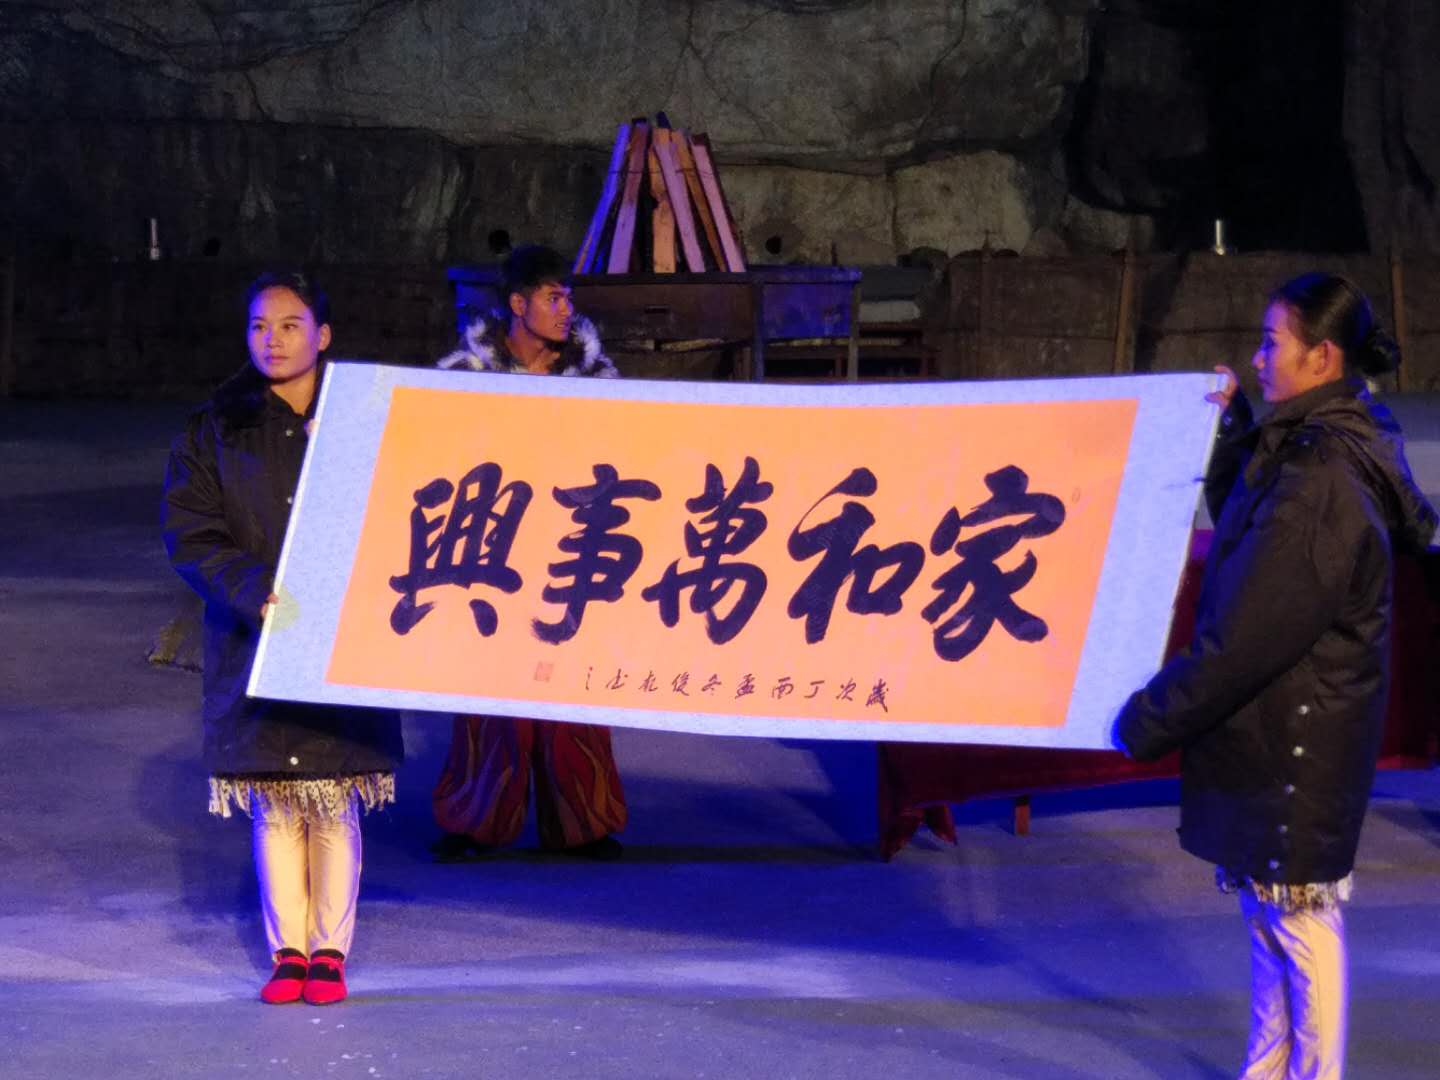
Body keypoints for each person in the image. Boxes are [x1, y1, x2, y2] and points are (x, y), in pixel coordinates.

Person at [1114, 272, 1437, 1078]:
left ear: (1321, 357)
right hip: (1287, 727)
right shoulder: (1313, 441)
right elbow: (1249, 529)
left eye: (1271, 343)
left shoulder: (1323, 477)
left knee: (1298, 918)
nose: (1258, 358)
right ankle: (1269, 1069)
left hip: (1302, 735)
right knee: (1271, 914)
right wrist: (1233, 433)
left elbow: (1246, 639)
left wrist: (1151, 716)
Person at [163, 271, 404, 1005]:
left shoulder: (364, 418)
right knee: (274, 800)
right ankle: (287, 953)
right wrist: (250, 591)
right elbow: (191, 532)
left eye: (291, 325)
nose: (273, 340)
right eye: (260, 326)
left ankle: (329, 951)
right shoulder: (215, 427)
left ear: (322, 336)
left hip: (339, 634)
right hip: (253, 634)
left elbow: (404, 511)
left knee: (332, 796)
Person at [430, 244, 627, 862]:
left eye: (568, 296)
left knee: (572, 686)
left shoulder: (596, 379)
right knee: (488, 688)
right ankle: (476, 820)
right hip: (494, 548)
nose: (566, 309)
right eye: (552, 296)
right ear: (518, 304)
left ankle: (584, 823)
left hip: (571, 545)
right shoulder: (465, 377)